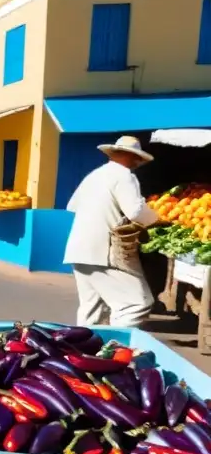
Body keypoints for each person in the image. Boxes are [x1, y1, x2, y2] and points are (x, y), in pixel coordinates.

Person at [63, 135, 160, 327]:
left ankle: (82, 350)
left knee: (92, 309)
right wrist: (158, 219)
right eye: (137, 158)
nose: (137, 163)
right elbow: (136, 211)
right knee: (136, 303)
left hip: (78, 249)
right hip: (103, 252)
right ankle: (116, 345)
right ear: (131, 156)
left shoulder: (94, 175)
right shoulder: (125, 176)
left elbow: (71, 206)